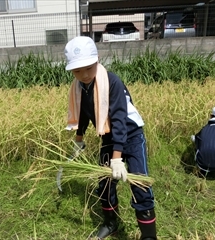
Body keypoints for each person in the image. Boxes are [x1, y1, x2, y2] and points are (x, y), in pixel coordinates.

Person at [64, 36, 157, 240]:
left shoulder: (111, 82)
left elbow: (120, 120)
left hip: (130, 135)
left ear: (97, 61)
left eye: (88, 68)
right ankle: (110, 223)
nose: (84, 74)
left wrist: (117, 158)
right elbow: (83, 114)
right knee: (105, 184)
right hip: (108, 137)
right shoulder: (79, 88)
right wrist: (79, 139)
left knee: (140, 184)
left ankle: (149, 236)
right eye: (77, 71)